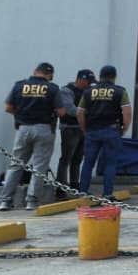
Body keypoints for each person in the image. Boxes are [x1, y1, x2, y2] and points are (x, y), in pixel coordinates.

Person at [0, 62, 65, 211]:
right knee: (39, 166)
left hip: (23, 129)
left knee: (15, 165)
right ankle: (31, 201)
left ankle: (5, 201)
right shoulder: (52, 88)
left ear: (35, 71)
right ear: (49, 75)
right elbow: (61, 111)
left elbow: (8, 107)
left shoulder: (19, 85)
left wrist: (23, 115)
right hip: (44, 129)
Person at [77, 65, 132, 200]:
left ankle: (83, 192)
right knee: (110, 163)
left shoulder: (89, 91)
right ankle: (107, 194)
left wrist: (84, 129)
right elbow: (127, 111)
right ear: (114, 77)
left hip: (92, 131)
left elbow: (80, 112)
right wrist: (124, 128)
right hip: (112, 130)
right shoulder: (120, 91)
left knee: (88, 162)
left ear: (100, 76)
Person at [54, 68, 94, 199]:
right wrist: (88, 114)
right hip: (70, 128)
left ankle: (75, 185)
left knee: (77, 160)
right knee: (66, 159)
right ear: (80, 79)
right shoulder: (67, 91)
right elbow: (70, 109)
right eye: (88, 81)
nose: (90, 84)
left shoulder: (87, 92)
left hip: (83, 129)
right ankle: (60, 189)